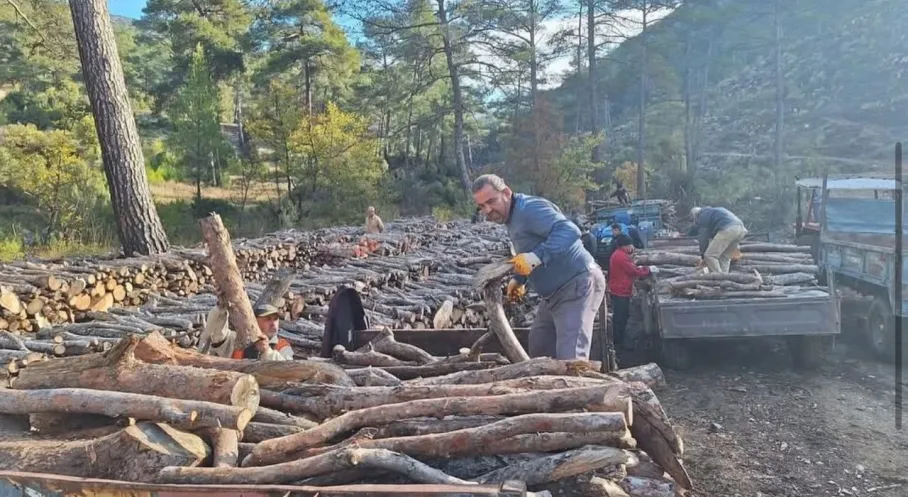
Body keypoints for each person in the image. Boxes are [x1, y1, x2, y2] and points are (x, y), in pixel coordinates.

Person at [472, 174, 606, 360]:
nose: (487, 210)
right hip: (552, 296)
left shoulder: (529, 209)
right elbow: (529, 250)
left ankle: (577, 388)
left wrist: (536, 257)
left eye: (491, 201)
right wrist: (519, 279)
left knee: (571, 358)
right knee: (540, 348)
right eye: (481, 206)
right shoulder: (511, 217)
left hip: (577, 284)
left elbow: (569, 231)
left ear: (506, 193)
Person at [607, 235, 657, 349]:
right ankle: (618, 341)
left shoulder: (619, 254)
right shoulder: (620, 257)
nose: (632, 247)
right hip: (620, 290)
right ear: (625, 246)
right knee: (621, 317)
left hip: (619, 288)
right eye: (630, 245)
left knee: (620, 316)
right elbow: (633, 270)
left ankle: (617, 339)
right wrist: (648, 270)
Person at [198, 302, 294, 361]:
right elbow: (216, 334)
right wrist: (220, 309)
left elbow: (289, 370)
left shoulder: (282, 346)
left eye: (275, 319)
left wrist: (267, 352)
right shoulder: (237, 340)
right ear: (254, 321)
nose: (273, 323)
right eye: (267, 319)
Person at [687, 206, 748, 274]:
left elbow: (703, 237)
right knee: (724, 258)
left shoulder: (703, 215)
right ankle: (725, 279)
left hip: (729, 229)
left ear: (696, 215)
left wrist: (703, 255)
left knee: (709, 256)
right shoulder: (712, 212)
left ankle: (720, 278)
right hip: (741, 229)